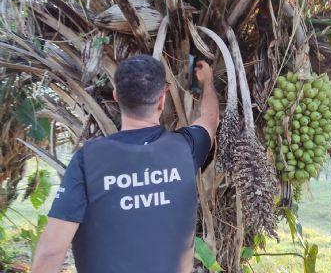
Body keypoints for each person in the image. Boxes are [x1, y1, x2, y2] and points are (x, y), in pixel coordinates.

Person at [31, 55, 219, 273]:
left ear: (116, 96)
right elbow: (210, 117)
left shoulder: (88, 160)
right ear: (161, 99)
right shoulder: (186, 148)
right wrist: (207, 81)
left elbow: (51, 252)